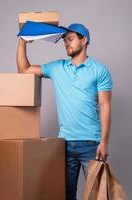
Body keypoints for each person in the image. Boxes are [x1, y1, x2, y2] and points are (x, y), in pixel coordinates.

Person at [16, 23, 113, 200]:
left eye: (70, 39)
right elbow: (24, 70)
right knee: (66, 195)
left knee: (100, 195)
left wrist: (104, 142)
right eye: (65, 41)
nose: (66, 44)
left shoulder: (99, 70)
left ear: (84, 40)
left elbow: (105, 106)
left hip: (91, 144)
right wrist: (22, 41)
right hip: (64, 144)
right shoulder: (57, 67)